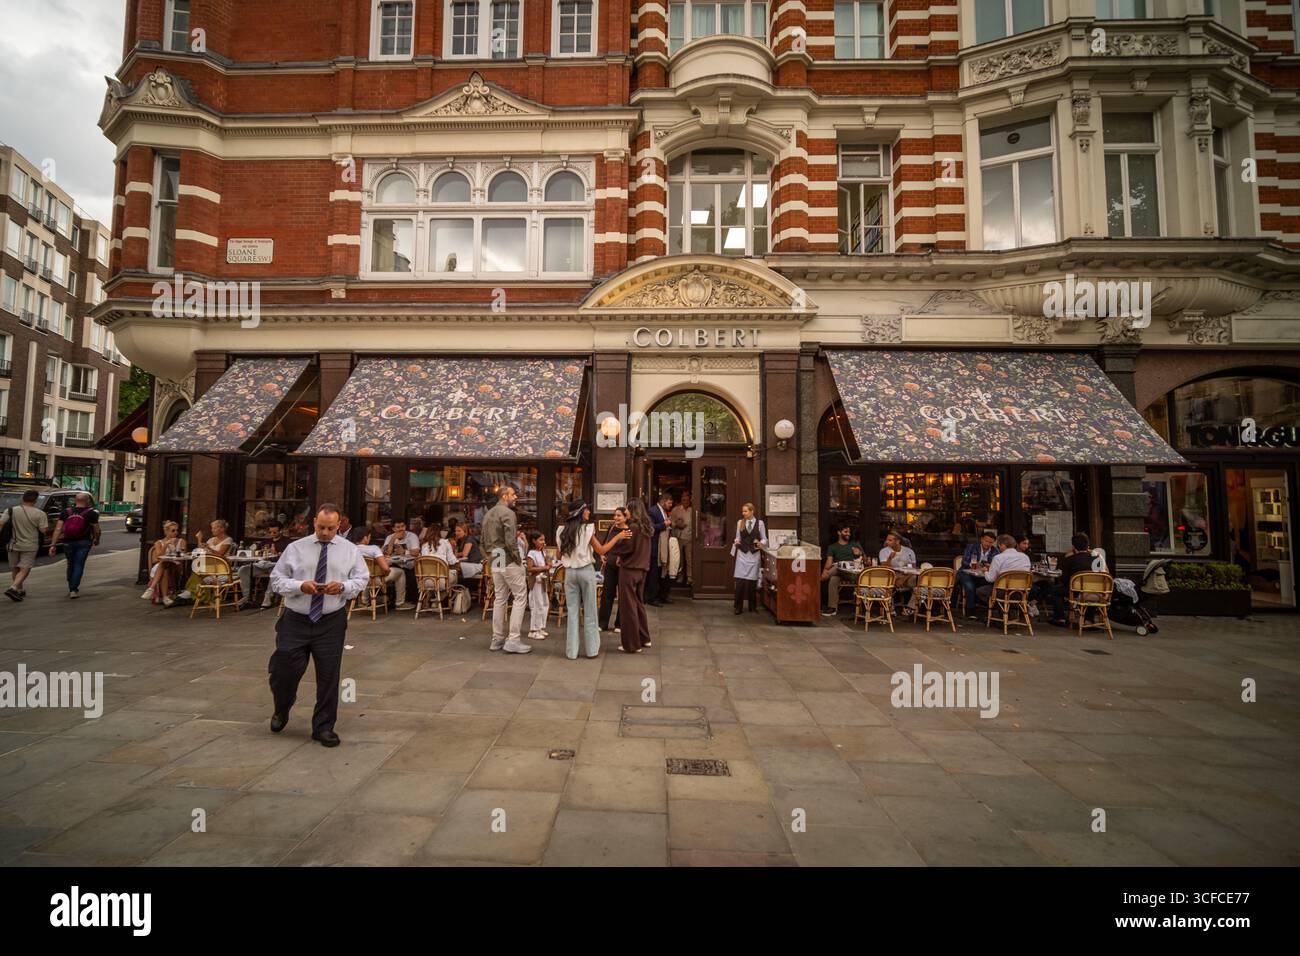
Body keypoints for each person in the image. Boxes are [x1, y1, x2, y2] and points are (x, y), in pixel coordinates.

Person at [267, 504, 369, 747]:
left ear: (339, 525)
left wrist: (343, 587)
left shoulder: (350, 550)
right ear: (314, 522)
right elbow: (277, 579)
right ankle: (282, 706)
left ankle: (323, 727)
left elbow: (361, 579)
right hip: (296, 618)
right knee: (285, 669)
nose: (325, 532)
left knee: (329, 675)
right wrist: (299, 586)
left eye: (331, 528)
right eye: (321, 527)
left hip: (331, 620)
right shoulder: (295, 548)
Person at [556, 500, 628, 659]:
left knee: (573, 612)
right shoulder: (587, 529)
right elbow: (601, 549)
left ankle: (571, 652)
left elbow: (558, 555)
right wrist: (618, 537)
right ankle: (592, 650)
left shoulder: (561, 530)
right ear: (581, 512)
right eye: (587, 509)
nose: (589, 512)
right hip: (586, 571)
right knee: (590, 612)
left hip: (569, 572)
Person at [481, 484, 532, 654]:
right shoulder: (508, 513)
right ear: (504, 496)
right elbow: (511, 541)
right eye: (513, 494)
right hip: (507, 556)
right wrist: (519, 559)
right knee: (520, 597)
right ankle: (514, 639)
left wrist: (489, 557)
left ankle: (497, 639)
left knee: (500, 597)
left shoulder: (488, 513)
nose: (515, 497)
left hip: (495, 555)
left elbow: (482, 541)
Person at [608, 499, 653, 653]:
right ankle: (644, 638)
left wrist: (616, 541)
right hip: (642, 570)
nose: (625, 511)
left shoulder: (633, 528)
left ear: (632, 510)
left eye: (627, 509)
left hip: (629, 570)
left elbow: (626, 547)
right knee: (639, 604)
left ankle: (632, 644)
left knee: (628, 607)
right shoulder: (646, 527)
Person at [47, 492, 101, 599]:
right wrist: (96, 539)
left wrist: (53, 544)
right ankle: (73, 589)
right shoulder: (91, 513)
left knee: (70, 563)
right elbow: (97, 529)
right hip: (84, 542)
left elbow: (58, 529)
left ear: (75, 500)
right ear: (87, 501)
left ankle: (71, 585)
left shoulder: (66, 512)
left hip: (68, 542)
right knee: (79, 564)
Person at [1044, 532, 1101, 627]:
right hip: (1095, 591)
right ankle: (1089, 619)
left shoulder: (1070, 559)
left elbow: (1064, 580)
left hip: (1075, 590)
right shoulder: (1097, 560)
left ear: (1074, 547)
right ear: (1088, 545)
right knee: (1091, 589)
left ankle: (1059, 617)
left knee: (1054, 591)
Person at [2, 489, 48, 601]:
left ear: (23, 498)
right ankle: (13, 588)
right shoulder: (40, 513)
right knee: (24, 569)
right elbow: (43, 530)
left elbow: (1, 524)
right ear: (35, 500)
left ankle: (19, 590)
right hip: (30, 545)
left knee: (15, 569)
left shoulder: (10, 510)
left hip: (13, 544)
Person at [355, 525, 410, 609]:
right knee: (400, 572)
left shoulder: (351, 549)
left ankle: (364, 601)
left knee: (367, 573)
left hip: (357, 579)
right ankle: (400, 603)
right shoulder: (374, 549)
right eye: (369, 537)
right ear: (365, 538)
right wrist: (386, 571)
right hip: (375, 580)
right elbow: (385, 568)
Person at [975, 533, 1033, 607]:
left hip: (1003, 592)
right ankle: (1009, 609)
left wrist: (985, 571)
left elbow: (990, 579)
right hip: (1021, 593)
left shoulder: (998, 558)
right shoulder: (1025, 557)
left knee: (980, 591)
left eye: (998, 545)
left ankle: (1000, 609)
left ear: (1001, 545)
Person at [820, 522, 864, 616]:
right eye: (846, 531)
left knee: (836, 567)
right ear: (839, 533)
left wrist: (859, 554)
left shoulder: (854, 544)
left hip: (852, 574)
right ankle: (832, 608)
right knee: (833, 579)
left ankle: (819, 580)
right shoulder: (832, 547)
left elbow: (866, 560)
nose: (848, 533)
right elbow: (829, 562)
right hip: (839, 572)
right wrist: (824, 570)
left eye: (849, 532)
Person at [731, 502, 767, 614]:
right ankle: (738, 607)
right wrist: (736, 542)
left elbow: (764, 538)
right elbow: (738, 537)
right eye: (743, 511)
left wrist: (762, 543)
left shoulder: (760, 524)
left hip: (754, 554)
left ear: (752, 511)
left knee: (752, 581)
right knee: (740, 581)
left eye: (745, 511)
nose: (743, 513)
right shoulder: (740, 523)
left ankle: (752, 606)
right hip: (742, 554)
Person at [142, 520, 185, 606]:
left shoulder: (181, 541)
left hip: (175, 564)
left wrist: (178, 549)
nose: (176, 532)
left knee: (164, 564)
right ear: (166, 532)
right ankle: (165, 597)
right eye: (173, 530)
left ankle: (151, 588)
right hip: (160, 566)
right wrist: (165, 545)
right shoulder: (159, 543)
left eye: (177, 530)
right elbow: (159, 556)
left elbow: (182, 555)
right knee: (164, 566)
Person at [598, 507, 627, 632]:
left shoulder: (629, 530)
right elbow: (604, 544)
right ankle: (602, 623)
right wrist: (602, 555)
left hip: (622, 565)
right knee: (607, 593)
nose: (616, 518)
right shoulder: (612, 529)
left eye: (619, 515)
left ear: (625, 517)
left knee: (622, 595)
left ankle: (619, 624)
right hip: (609, 564)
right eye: (615, 515)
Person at [958, 530, 998, 619]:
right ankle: (970, 610)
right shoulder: (972, 547)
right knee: (970, 586)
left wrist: (989, 566)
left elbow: (996, 566)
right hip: (967, 572)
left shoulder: (995, 551)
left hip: (983, 575)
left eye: (990, 542)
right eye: (986, 541)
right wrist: (976, 565)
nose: (988, 544)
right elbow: (964, 562)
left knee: (993, 584)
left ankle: (991, 609)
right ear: (981, 539)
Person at [525, 531, 553, 641]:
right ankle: (534, 629)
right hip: (536, 581)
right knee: (537, 605)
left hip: (543, 581)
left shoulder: (542, 552)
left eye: (543, 540)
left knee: (545, 603)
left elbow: (546, 563)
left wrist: (548, 562)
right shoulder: (531, 553)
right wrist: (544, 568)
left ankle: (541, 626)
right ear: (534, 541)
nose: (543, 542)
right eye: (540, 540)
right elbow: (530, 568)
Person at [646, 492, 672, 606]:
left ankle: (661, 596)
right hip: (655, 547)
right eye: (669, 503)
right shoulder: (653, 511)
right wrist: (664, 524)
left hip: (663, 548)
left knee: (662, 573)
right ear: (663, 501)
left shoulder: (664, 511)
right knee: (653, 574)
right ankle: (652, 598)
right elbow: (651, 528)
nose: (670, 505)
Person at [670, 490, 695, 590]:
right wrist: (677, 524)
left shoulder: (693, 510)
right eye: (683, 497)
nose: (684, 499)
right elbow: (670, 522)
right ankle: (679, 576)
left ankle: (690, 578)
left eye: (686, 497)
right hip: (678, 537)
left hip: (689, 538)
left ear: (690, 499)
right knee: (678, 559)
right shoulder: (676, 510)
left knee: (689, 559)